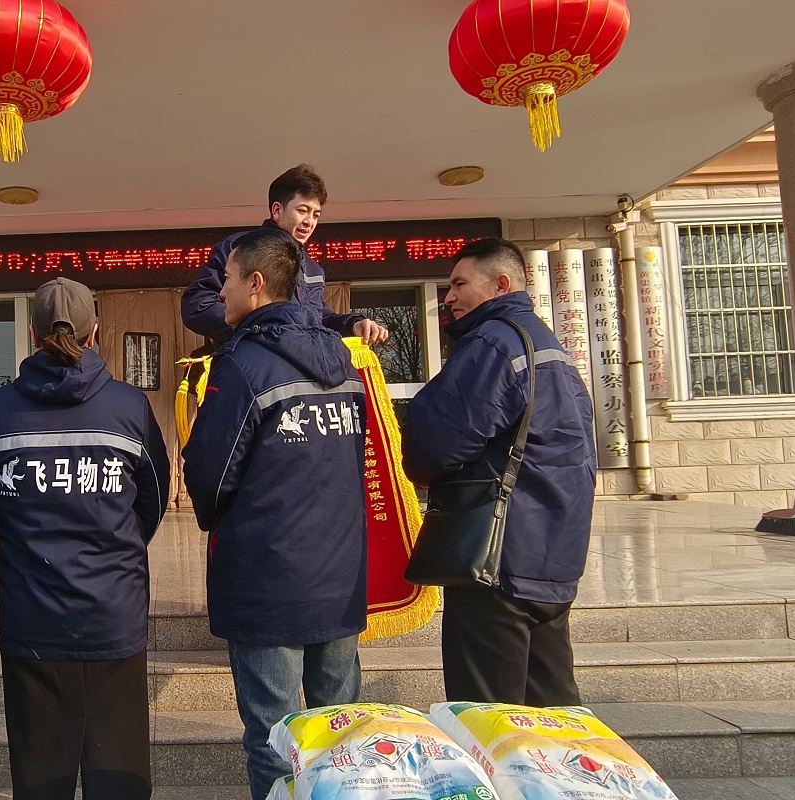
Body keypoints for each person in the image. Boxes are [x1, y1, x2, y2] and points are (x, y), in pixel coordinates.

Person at [180, 227, 369, 799]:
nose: (221, 291)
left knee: (274, 739)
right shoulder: (343, 361)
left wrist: (214, 515)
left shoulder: (242, 365)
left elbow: (209, 473)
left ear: (256, 284)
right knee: (342, 737)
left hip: (269, 580)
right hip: (339, 577)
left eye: (228, 279)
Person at [0, 278, 171, 800]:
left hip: (32, 621)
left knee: (39, 780)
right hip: (113, 617)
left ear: (32, 334)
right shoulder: (128, 406)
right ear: (96, 332)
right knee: (120, 781)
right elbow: (152, 501)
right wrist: (116, 548)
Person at [402, 237, 597, 708]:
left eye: (459, 284)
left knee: (489, 716)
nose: (448, 297)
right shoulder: (549, 347)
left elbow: (435, 442)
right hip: (553, 557)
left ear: (501, 284)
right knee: (552, 712)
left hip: (497, 561)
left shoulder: (492, 343)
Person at [181, 164, 389, 345]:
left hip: (302, 367)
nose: (309, 221)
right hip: (251, 366)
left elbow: (319, 321)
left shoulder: (313, 268)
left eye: (315, 215)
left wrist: (354, 325)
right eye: (302, 210)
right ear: (277, 211)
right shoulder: (239, 248)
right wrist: (255, 331)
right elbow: (197, 305)